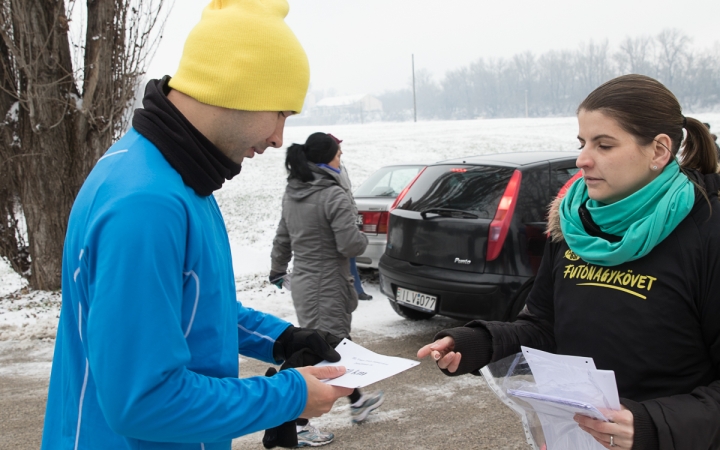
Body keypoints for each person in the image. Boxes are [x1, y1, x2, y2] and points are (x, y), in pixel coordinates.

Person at [40, 2, 354, 449]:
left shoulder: (179, 178)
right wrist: (291, 395)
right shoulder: (146, 204)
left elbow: (193, 307)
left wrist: (281, 338)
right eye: (281, 113)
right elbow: (145, 401)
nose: (279, 139)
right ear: (236, 89)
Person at [418, 74, 720, 450]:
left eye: (604, 145)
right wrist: (479, 342)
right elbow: (544, 325)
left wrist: (652, 425)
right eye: (582, 143)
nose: (582, 159)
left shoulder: (707, 230)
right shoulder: (573, 225)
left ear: (659, 151)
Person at [270, 132, 385, 441]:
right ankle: (298, 426)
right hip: (328, 287)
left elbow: (283, 237)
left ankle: (357, 401)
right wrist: (360, 232)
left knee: (333, 347)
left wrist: (277, 269)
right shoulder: (332, 195)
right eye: (338, 157)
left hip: (306, 283)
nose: (340, 161)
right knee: (324, 354)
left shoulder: (293, 192)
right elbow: (350, 244)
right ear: (327, 161)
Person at [328, 134, 373, 301]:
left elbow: (348, 193)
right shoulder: (328, 172)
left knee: (350, 258)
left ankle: (356, 290)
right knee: (343, 257)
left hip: (348, 216)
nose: (341, 151)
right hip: (339, 219)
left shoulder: (341, 166)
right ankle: (350, 291)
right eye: (338, 148)